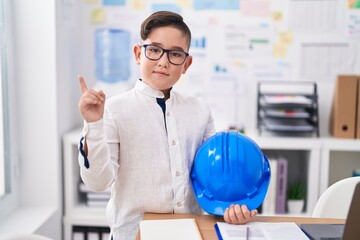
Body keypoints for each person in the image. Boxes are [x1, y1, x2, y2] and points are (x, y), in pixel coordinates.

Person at [78, 11, 257, 239]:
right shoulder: (114, 110)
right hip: (134, 234)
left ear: (187, 63)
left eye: (175, 54)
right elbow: (97, 181)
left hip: (190, 232)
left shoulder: (199, 110)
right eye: (154, 50)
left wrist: (232, 207)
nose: (163, 62)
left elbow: (212, 178)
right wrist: (94, 125)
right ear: (137, 53)